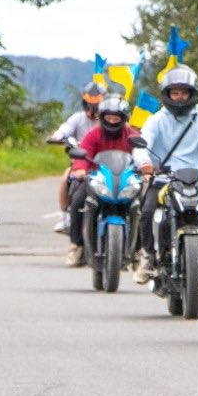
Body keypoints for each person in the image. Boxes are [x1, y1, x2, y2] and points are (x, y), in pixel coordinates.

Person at [133, 65, 198, 282]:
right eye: (175, 92)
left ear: (192, 93)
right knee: (147, 210)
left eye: (184, 92)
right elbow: (142, 143)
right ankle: (148, 256)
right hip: (164, 179)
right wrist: (144, 163)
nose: (179, 97)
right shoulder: (156, 120)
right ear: (167, 94)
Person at [65, 93, 137, 267]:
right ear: (102, 117)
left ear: (123, 118)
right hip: (97, 180)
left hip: (125, 181)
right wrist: (81, 168)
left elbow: (142, 154)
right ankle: (77, 245)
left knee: (141, 206)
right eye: (109, 117)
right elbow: (83, 152)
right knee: (77, 201)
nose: (112, 121)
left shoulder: (131, 135)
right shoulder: (94, 134)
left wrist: (146, 168)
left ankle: (140, 251)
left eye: (116, 118)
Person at [48, 82, 105, 233]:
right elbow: (65, 129)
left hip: (106, 164)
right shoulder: (77, 118)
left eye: (97, 104)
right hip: (81, 163)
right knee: (66, 177)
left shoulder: (108, 121)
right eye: (90, 104)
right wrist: (57, 136)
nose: (93, 109)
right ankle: (64, 215)